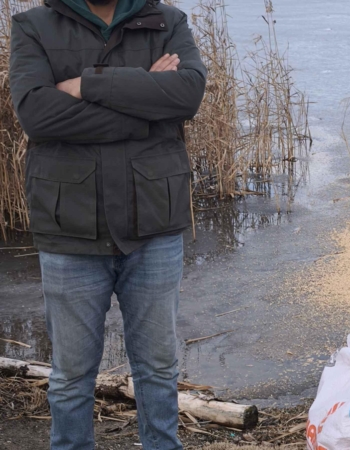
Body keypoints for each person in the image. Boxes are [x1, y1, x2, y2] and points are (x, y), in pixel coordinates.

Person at [9, 0, 206, 447]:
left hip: (153, 223)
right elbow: (39, 116)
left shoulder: (166, 20)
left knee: (158, 370)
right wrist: (145, 105)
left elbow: (187, 95)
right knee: (71, 375)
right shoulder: (33, 25)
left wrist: (86, 83)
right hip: (69, 229)